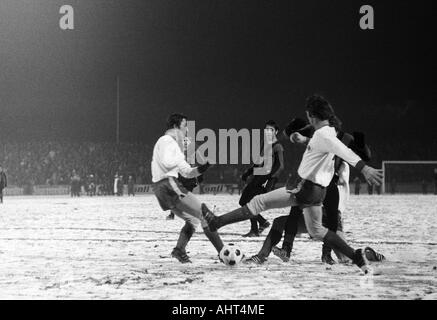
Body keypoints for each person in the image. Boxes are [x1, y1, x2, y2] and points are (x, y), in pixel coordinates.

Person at [201, 95, 383, 274]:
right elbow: (325, 145)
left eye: (308, 116)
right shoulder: (327, 133)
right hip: (318, 192)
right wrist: (304, 140)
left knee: (259, 202)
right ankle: (356, 256)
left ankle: (218, 222)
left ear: (313, 116)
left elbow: (342, 150)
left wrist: (364, 169)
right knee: (318, 230)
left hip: (304, 187)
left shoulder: (324, 135)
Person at [151, 113, 223, 263]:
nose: (186, 130)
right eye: (184, 126)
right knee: (205, 215)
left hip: (164, 186)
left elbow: (187, 172)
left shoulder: (174, 145)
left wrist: (204, 168)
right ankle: (223, 252)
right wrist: (180, 151)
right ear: (176, 126)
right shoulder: (166, 140)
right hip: (168, 184)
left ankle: (179, 250)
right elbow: (167, 162)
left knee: (193, 220)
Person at [239, 120, 284, 237]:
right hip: (257, 178)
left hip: (264, 180)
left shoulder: (277, 146)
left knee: (248, 202)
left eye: (271, 130)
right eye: (266, 129)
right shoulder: (265, 144)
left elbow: (280, 166)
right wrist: (248, 172)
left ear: (276, 131)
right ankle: (261, 223)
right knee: (243, 202)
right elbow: (258, 162)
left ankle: (256, 228)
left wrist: (270, 180)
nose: (268, 132)